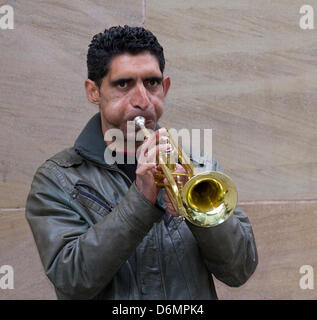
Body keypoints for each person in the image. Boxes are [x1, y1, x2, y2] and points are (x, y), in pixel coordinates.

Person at [26, 25, 258, 300]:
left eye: (152, 83)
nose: (142, 100)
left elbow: (239, 270)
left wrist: (198, 212)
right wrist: (141, 200)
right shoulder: (57, 178)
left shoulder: (200, 167)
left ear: (165, 87)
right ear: (93, 91)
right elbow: (72, 279)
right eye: (123, 84)